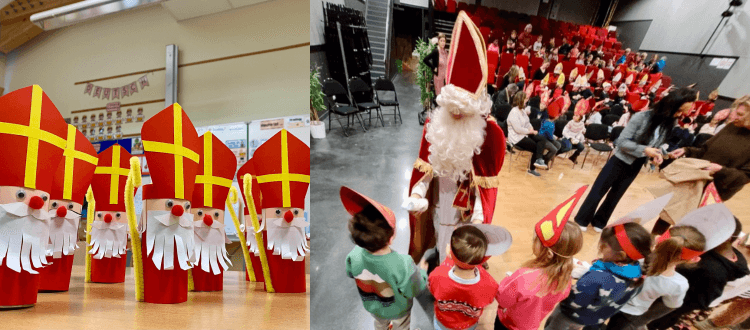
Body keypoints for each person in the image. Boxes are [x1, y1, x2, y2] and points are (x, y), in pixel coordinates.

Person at [404, 12, 506, 265]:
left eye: (463, 113)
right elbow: (426, 169)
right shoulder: (435, 124)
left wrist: (480, 221)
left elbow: (485, 187)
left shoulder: (489, 134)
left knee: (459, 251)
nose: (456, 116)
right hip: (440, 206)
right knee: (439, 240)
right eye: (452, 112)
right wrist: (418, 193)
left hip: (466, 215)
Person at [574, 88, 698, 232]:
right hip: (619, 160)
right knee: (599, 190)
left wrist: (658, 155)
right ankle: (582, 218)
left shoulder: (669, 124)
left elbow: (656, 146)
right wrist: (645, 150)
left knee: (616, 195)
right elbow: (621, 142)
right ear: (670, 107)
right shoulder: (642, 117)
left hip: (636, 164)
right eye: (678, 111)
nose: (679, 116)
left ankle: (599, 221)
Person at [652, 96, 750, 234]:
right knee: (670, 212)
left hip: (718, 188)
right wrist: (687, 150)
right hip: (697, 178)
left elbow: (745, 176)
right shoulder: (730, 127)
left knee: (690, 224)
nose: (733, 116)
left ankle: (670, 249)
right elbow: (705, 150)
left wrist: (721, 170)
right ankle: (653, 241)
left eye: (739, 114)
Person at [495, 187, 586, 330]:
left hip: (507, 323)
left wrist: (507, 280)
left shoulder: (523, 276)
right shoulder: (566, 278)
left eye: (536, 240)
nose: (533, 241)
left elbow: (502, 300)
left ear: (549, 253)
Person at [342, 186, 428, 330]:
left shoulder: (353, 255)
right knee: (401, 325)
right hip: (398, 310)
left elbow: (350, 272)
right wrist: (423, 273)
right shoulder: (403, 263)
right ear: (391, 238)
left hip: (374, 307)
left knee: (380, 324)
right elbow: (414, 289)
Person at [545, 222, 653, 330]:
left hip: (569, 315)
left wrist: (564, 278)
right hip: (590, 319)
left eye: (604, 246)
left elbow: (572, 301)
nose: (600, 248)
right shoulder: (639, 274)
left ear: (621, 255)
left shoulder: (596, 278)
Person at [648, 216, 748, 329]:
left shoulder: (709, 268)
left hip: (664, 307)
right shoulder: (735, 259)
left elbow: (693, 301)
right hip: (675, 305)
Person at [606, 225, 707, 330]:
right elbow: (670, 305)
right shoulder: (679, 285)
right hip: (631, 313)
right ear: (692, 260)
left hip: (605, 298)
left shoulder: (633, 255)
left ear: (658, 239)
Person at [430, 224, 510, 330]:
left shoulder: (437, 275)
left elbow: (432, 290)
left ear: (450, 254)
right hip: (468, 326)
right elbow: (489, 300)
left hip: (442, 324)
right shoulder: (490, 285)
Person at [507, 92, 554, 176]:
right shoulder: (514, 112)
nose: (527, 100)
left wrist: (531, 128)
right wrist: (531, 131)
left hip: (524, 134)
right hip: (517, 138)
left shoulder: (522, 111)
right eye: (525, 99)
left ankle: (539, 159)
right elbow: (518, 130)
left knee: (541, 139)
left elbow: (527, 123)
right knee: (536, 146)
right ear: (521, 100)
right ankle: (532, 169)